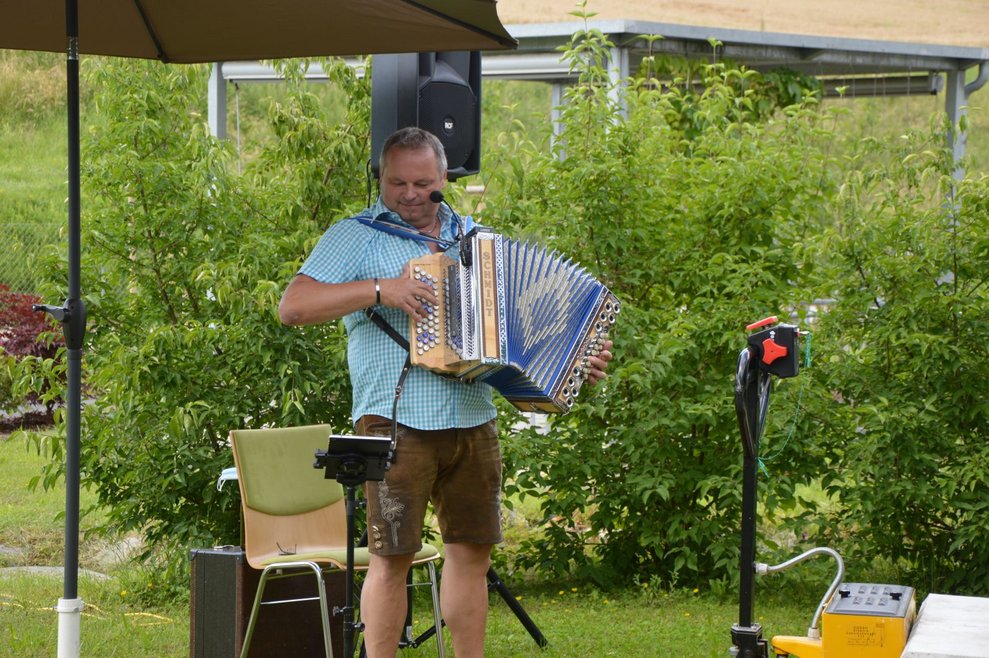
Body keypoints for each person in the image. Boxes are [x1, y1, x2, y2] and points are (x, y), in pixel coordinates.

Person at [279, 126, 613, 658]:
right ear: (379, 179)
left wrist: (575, 359)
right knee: (392, 557)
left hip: (472, 416)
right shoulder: (356, 235)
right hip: (395, 418)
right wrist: (381, 289)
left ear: (444, 179)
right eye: (396, 183)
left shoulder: (476, 239)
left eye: (423, 183)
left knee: (471, 554)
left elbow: (525, 324)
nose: (410, 194)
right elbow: (293, 307)